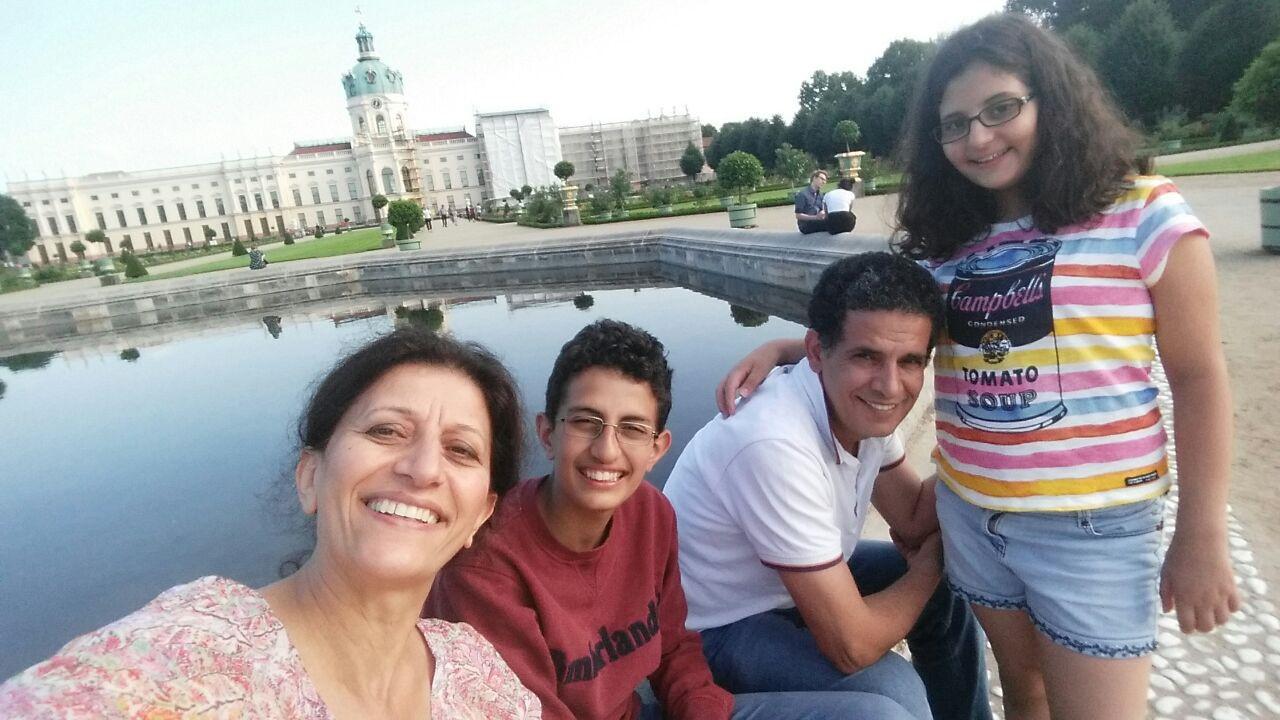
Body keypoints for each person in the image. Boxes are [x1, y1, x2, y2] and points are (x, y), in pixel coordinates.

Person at [719, 14, 1240, 720]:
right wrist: (793, 348)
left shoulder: (1141, 212)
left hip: (1089, 528)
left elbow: (1200, 375)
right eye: (955, 123)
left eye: (1001, 109)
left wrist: (1201, 531)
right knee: (1024, 693)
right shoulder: (947, 245)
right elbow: (883, 328)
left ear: (1048, 101)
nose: (979, 138)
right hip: (974, 517)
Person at [0, 328, 541, 719]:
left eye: (460, 450)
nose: (422, 469)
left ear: (481, 515)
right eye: (385, 432)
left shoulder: (478, 676)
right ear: (310, 476)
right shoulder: (190, 658)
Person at [428, 320, 879, 720]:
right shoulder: (486, 570)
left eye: (632, 429)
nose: (606, 450)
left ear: (657, 449)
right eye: (587, 422)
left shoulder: (650, 512)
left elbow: (673, 645)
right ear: (548, 434)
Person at [665, 253, 990, 720]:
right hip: (711, 627)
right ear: (818, 351)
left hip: (777, 586)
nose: (890, 387)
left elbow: (915, 517)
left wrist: (995, 449)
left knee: (951, 590)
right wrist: (935, 560)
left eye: (910, 362)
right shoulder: (773, 442)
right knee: (893, 695)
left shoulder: (856, 404)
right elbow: (852, 647)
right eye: (867, 356)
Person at [794, 169, 827, 234]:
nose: (824, 182)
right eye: (822, 179)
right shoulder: (802, 194)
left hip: (816, 222)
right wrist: (816, 217)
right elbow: (798, 215)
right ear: (814, 178)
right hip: (805, 225)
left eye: (825, 180)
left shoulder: (820, 195)